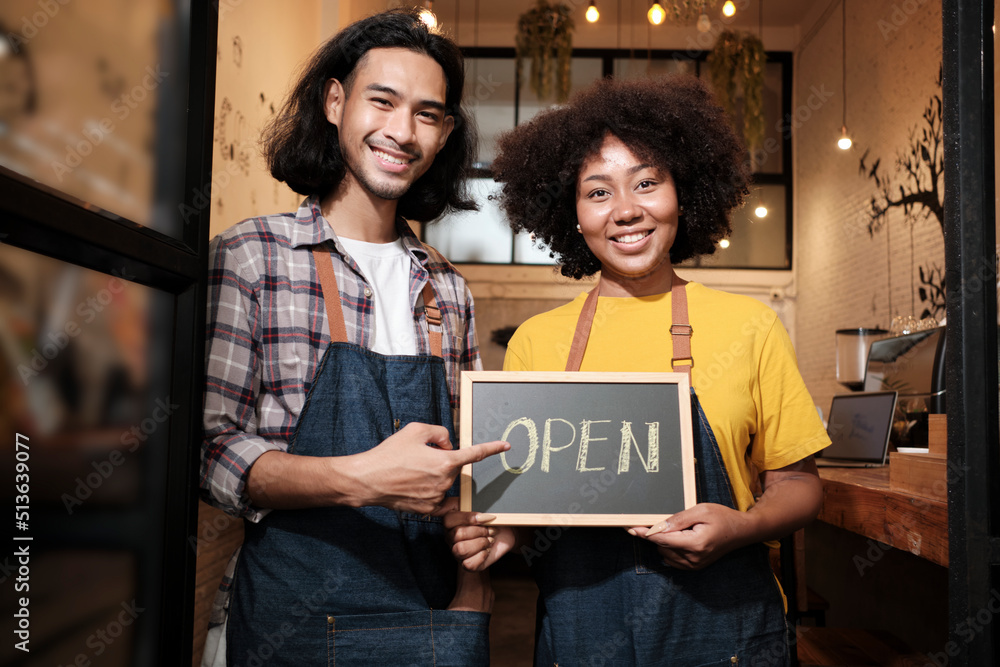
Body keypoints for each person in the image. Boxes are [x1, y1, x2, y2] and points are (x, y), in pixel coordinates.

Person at [444, 74, 830, 666]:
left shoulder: (750, 327)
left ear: (684, 192)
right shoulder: (535, 344)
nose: (626, 210)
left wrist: (738, 529)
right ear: (571, 213)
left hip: (727, 635)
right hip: (579, 636)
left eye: (647, 183)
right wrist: (504, 533)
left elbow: (800, 487)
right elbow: (525, 504)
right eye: (598, 192)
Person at [199, 9, 509, 666]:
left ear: (445, 131)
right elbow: (210, 451)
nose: (402, 131)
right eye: (383, 101)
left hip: (430, 621)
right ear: (336, 101)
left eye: (428, 113)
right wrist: (363, 478)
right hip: (290, 618)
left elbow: (475, 480)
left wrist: (478, 573)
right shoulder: (253, 256)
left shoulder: (447, 288)